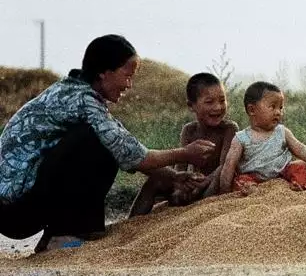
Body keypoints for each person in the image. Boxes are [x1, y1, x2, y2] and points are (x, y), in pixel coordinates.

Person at [0, 35, 215, 252]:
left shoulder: (76, 92)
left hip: (20, 205)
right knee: (98, 145)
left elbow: (128, 146)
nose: (129, 85)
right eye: (126, 76)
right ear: (104, 72)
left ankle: (57, 237)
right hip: (15, 212)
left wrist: (172, 176)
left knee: (105, 141)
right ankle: (64, 237)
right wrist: (186, 154)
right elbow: (133, 155)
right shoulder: (84, 101)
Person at [129, 73, 239, 216]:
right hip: (192, 184)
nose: (218, 107)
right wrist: (182, 186)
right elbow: (179, 168)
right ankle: (131, 223)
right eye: (209, 102)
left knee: (222, 170)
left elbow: (225, 166)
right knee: (157, 178)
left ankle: (201, 212)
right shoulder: (189, 130)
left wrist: (202, 185)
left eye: (222, 100)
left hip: (212, 186)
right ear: (191, 106)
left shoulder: (229, 129)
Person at [218, 81, 306, 195]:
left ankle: (297, 187)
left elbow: (300, 148)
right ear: (252, 110)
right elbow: (229, 165)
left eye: (280, 108)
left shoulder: (282, 132)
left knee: (299, 167)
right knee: (242, 181)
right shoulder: (241, 138)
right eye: (272, 107)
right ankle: (253, 192)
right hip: (254, 177)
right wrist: (224, 191)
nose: (278, 112)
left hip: (283, 173)